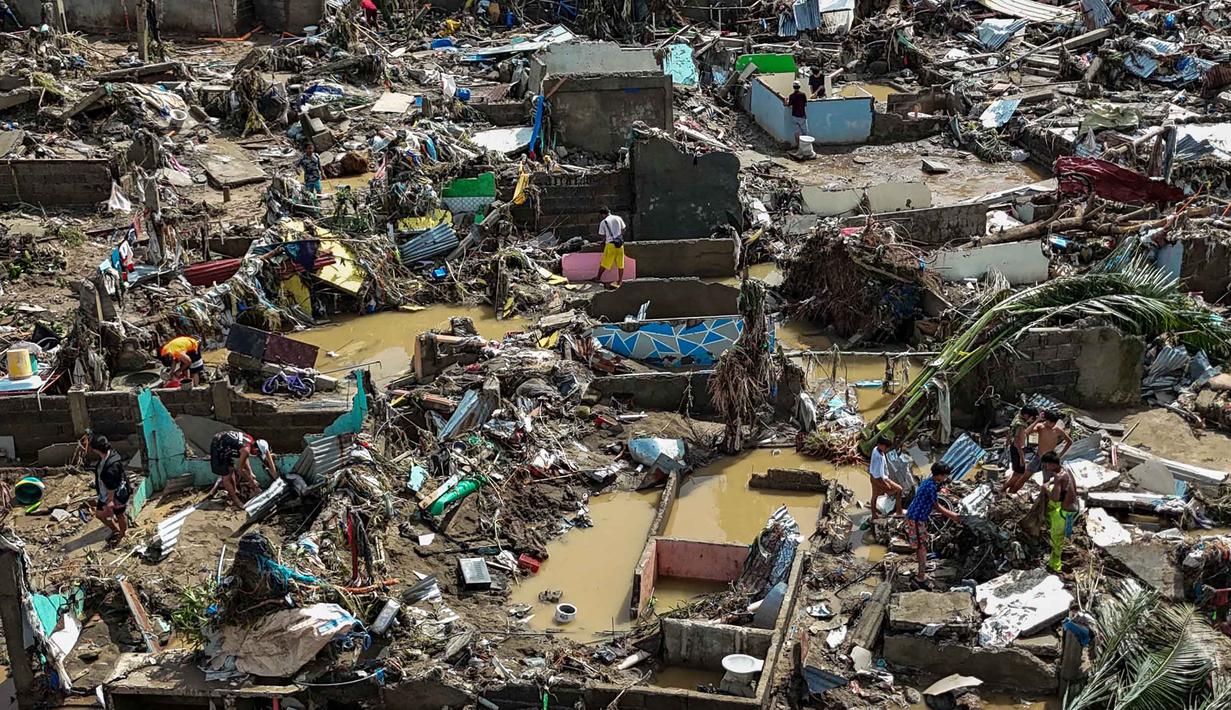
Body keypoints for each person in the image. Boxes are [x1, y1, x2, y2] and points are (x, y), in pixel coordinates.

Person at [905, 461, 961, 585]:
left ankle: (921, 572)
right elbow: (937, 506)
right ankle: (920, 577)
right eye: (945, 476)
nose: (946, 478)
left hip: (917, 516)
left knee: (921, 545)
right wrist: (953, 516)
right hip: (916, 518)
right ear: (940, 475)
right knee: (921, 547)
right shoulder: (931, 487)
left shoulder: (928, 482)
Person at [210, 431, 277, 508]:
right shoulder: (246, 450)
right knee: (226, 476)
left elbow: (245, 458)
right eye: (257, 453)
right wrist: (252, 482)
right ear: (256, 449)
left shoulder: (250, 441)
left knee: (231, 469)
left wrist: (251, 473)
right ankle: (236, 501)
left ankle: (235, 491)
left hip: (225, 442)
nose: (256, 455)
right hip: (218, 445)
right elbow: (240, 470)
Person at [85, 435, 130, 543]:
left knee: (120, 515)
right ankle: (115, 530)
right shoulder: (109, 455)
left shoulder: (111, 467)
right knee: (99, 515)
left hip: (116, 496)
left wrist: (110, 501)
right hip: (104, 494)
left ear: (96, 449)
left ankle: (123, 534)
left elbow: (112, 487)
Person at [1041, 452, 1078, 572]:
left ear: (1052, 464)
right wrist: (1052, 482)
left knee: (1056, 540)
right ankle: (1059, 559)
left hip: (1064, 512)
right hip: (1074, 509)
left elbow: (1055, 498)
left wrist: (1046, 488)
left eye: (1046, 465)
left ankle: (1056, 566)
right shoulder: (1066, 470)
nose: (1045, 467)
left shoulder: (1058, 477)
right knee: (1064, 536)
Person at [1025, 410, 1072, 479]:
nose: (1052, 424)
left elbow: (1069, 442)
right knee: (1025, 475)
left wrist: (1060, 455)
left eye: (1054, 423)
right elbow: (1026, 432)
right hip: (1038, 457)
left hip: (1049, 460)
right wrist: (1037, 420)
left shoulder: (1057, 430)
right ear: (1046, 420)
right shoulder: (1040, 426)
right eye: (1050, 422)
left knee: (1047, 480)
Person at [1003, 405, 1039, 494]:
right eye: (1031, 417)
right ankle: (1004, 490)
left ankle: (1008, 490)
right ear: (1026, 415)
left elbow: (1012, 434)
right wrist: (1022, 459)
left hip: (1013, 448)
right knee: (1019, 474)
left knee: (1016, 472)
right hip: (1018, 450)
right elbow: (1020, 444)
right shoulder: (1021, 426)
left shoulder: (1017, 418)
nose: (1031, 420)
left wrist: (1007, 442)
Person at [868, 436, 903, 520]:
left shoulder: (875, 449)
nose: (887, 449)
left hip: (872, 477)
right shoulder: (879, 457)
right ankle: (899, 511)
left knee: (874, 496)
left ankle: (874, 515)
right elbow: (881, 475)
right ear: (880, 445)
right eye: (886, 447)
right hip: (879, 479)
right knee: (899, 489)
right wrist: (888, 483)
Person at [594, 207, 627, 288]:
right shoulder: (618, 218)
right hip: (619, 244)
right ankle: (620, 281)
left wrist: (604, 241)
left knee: (604, 263)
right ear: (609, 211)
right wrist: (618, 237)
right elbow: (623, 229)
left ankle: (598, 278)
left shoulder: (604, 222)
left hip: (610, 245)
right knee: (620, 264)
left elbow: (602, 234)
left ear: (602, 214)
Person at [784, 80, 809, 149]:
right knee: (805, 133)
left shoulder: (791, 96)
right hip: (802, 116)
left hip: (794, 116)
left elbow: (788, 105)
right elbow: (805, 104)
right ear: (799, 87)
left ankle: (798, 147)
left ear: (793, 87)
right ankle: (805, 147)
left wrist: (785, 101)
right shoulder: (803, 95)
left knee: (797, 132)